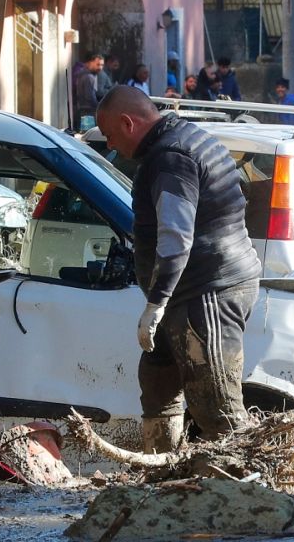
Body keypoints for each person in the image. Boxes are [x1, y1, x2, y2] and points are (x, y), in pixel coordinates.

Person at [94, 87, 262, 452]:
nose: (110, 145)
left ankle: (242, 491)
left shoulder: (170, 157)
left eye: (109, 135)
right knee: (157, 379)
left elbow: (175, 235)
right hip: (195, 291)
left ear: (128, 122)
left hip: (208, 292)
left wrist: (156, 303)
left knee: (216, 405)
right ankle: (164, 473)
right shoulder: (182, 139)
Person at [71, 52, 105, 129]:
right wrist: (99, 107)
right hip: (87, 114)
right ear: (90, 63)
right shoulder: (88, 77)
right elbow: (89, 97)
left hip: (84, 112)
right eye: (98, 64)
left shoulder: (84, 74)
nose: (100, 67)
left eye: (102, 65)